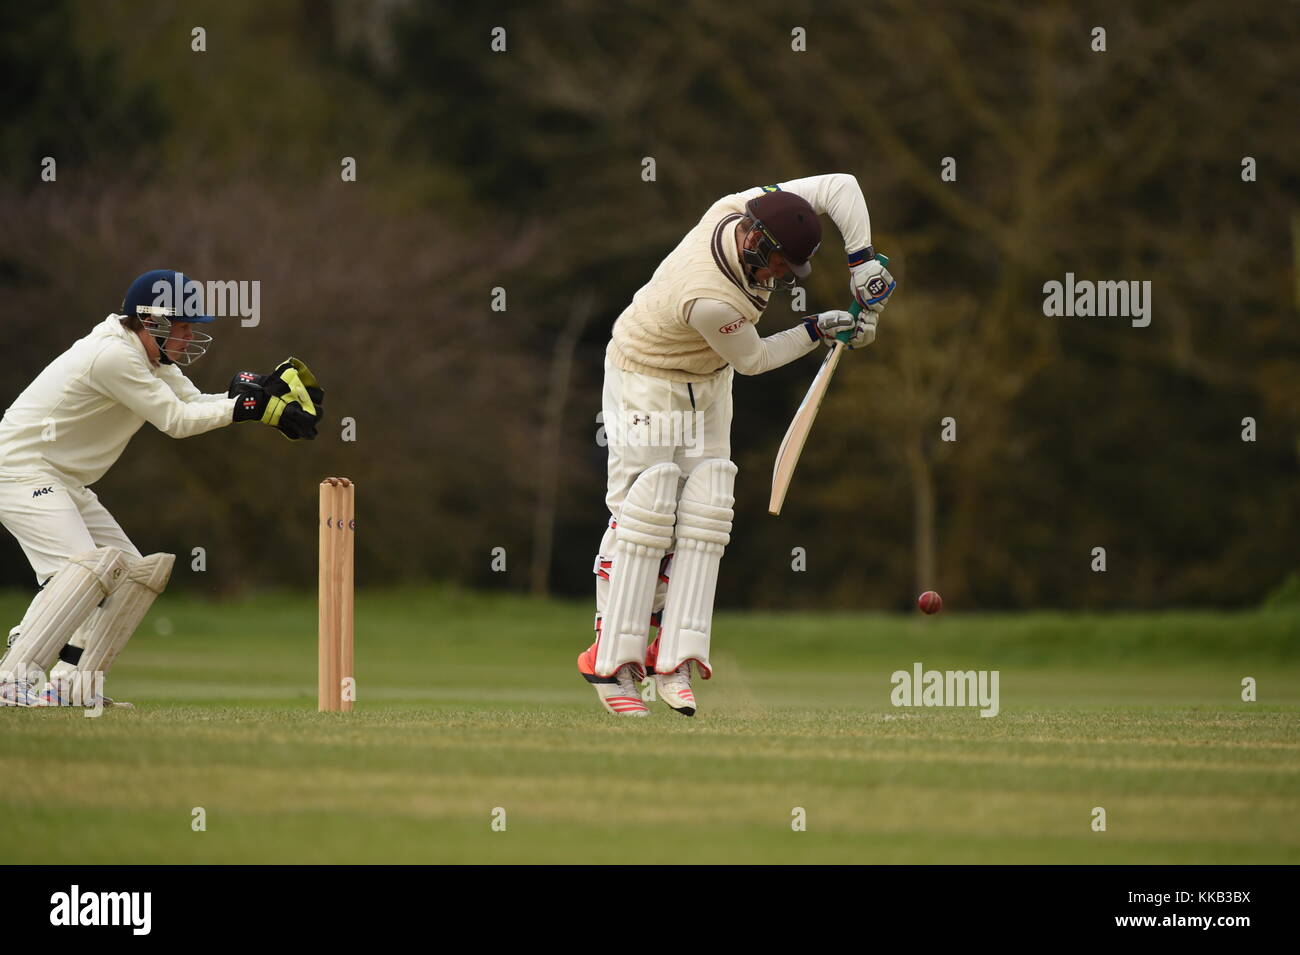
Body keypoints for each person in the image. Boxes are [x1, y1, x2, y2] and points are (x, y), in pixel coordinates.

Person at [577, 175, 896, 717]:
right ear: (755, 242)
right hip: (646, 378)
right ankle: (611, 661)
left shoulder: (748, 207)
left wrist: (862, 263)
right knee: (643, 515)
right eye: (779, 265)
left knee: (705, 512)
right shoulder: (708, 294)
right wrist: (818, 329)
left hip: (708, 377)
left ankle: (672, 658)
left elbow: (841, 185)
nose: (781, 278)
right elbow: (754, 360)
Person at [0, 269, 324, 708]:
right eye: (184, 324)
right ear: (152, 322)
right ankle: (12, 680)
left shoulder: (146, 357)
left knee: (134, 575)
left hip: (63, 480)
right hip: (20, 472)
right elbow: (176, 422)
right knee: (82, 571)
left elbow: (192, 403)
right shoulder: (113, 358)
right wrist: (249, 409)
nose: (190, 335)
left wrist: (262, 397)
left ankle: (70, 688)